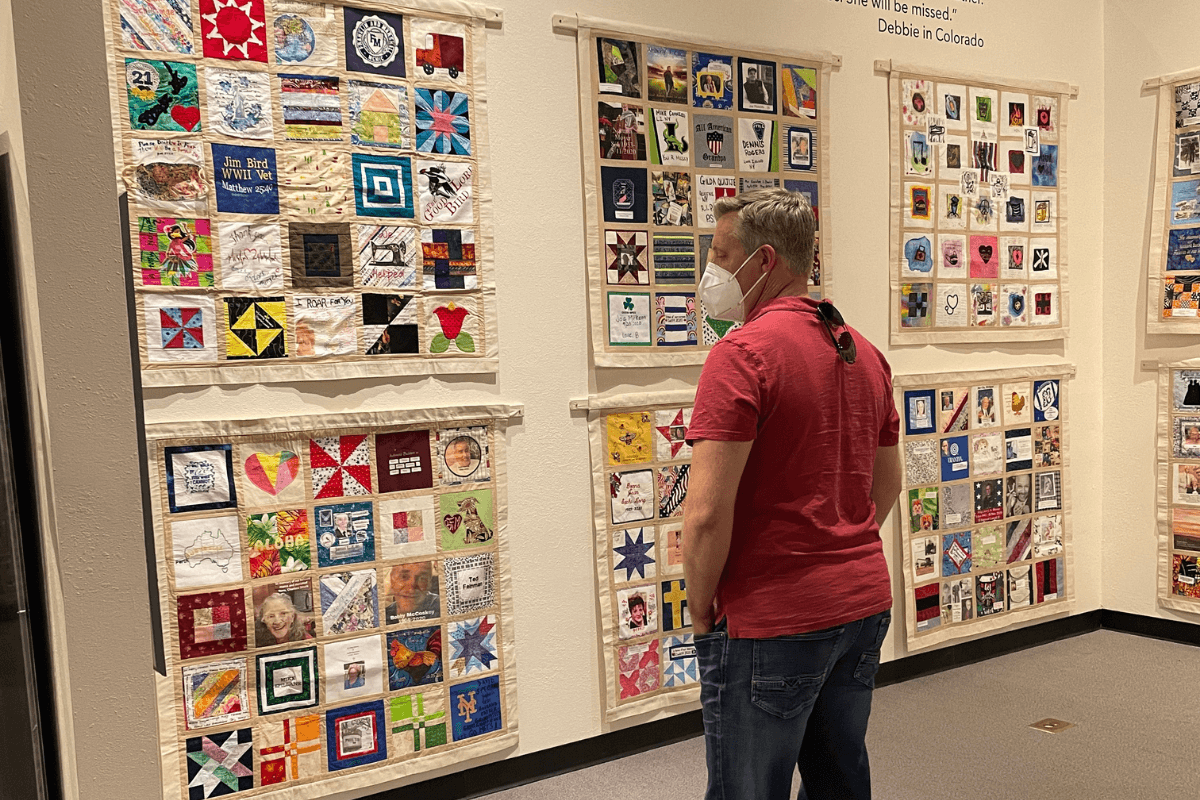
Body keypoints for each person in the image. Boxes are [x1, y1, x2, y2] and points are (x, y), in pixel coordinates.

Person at [684, 188, 900, 800]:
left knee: (747, 789)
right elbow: (887, 482)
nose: (713, 272)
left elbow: (704, 514)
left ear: (765, 260)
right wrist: (841, 545)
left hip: (770, 616)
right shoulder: (863, 353)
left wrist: (702, 611)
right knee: (838, 780)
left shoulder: (740, 356)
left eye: (722, 256)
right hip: (860, 604)